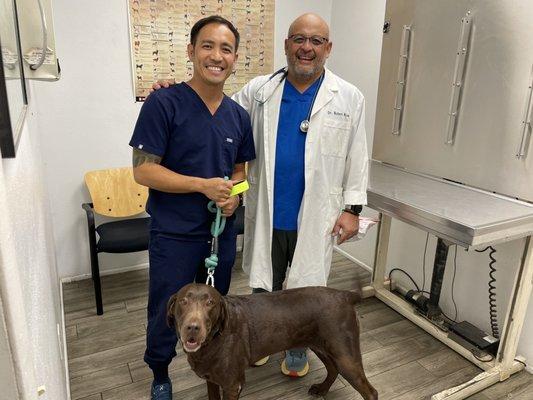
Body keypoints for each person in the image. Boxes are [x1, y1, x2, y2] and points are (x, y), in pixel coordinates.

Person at [153, 13, 368, 378]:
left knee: (306, 291)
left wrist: (352, 208)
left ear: (327, 49)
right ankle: (262, 340)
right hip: (269, 211)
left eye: (316, 41)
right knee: (264, 286)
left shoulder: (348, 97)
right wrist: (175, 91)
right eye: (299, 39)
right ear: (286, 45)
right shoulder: (260, 90)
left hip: (316, 214)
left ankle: (298, 349)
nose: (306, 48)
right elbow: (214, 104)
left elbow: (357, 155)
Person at [131, 16, 255, 400]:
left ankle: (213, 368)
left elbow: (241, 173)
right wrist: (201, 185)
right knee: (168, 309)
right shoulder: (163, 102)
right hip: (174, 234)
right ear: (191, 51)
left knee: (216, 311)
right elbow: (142, 171)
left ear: (235, 58)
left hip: (221, 235)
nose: (216, 56)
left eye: (226, 49)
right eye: (207, 46)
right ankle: (160, 372)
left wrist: (236, 195)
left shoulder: (238, 115)